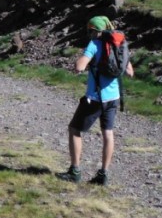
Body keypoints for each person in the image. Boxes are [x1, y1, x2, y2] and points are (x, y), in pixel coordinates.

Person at [56, 15, 134, 185]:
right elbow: (130, 71)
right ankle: (103, 174)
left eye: (90, 30)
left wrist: (83, 62)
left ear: (94, 30)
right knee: (108, 132)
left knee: (74, 130)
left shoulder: (94, 44)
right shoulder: (120, 44)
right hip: (114, 98)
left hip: (95, 98)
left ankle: (74, 171)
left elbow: (79, 67)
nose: (89, 34)